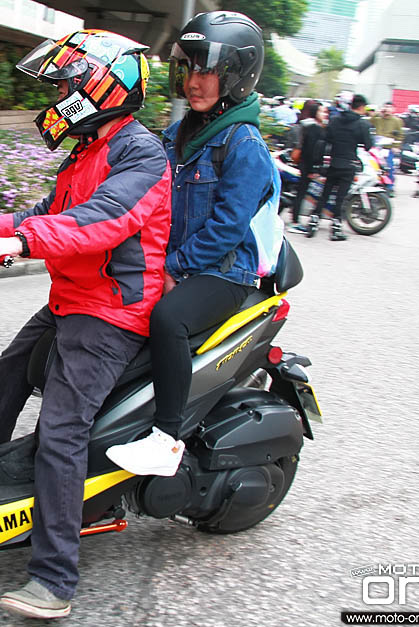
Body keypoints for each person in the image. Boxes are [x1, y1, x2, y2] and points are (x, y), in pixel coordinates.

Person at [0, 29, 171, 619]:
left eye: (64, 83)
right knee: (5, 373)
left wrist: (20, 242)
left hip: (113, 311)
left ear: (100, 86)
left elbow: (100, 221)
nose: (57, 95)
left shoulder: (141, 154)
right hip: (73, 298)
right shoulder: (86, 152)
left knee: (61, 428)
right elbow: (47, 214)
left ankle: (54, 578)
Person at [105, 12, 281, 477]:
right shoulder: (177, 134)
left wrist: (173, 270)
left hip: (222, 271)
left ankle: (166, 438)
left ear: (236, 77)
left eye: (208, 71)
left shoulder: (244, 145)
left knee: (168, 318)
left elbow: (225, 230)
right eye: (191, 69)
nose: (195, 82)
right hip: (176, 261)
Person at [305, 93, 372, 241]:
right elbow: (368, 145)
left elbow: (326, 139)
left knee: (325, 194)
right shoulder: (362, 124)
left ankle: (313, 222)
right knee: (340, 198)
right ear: (361, 107)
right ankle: (335, 229)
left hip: (333, 162)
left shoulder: (335, 120)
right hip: (349, 164)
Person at [288, 100, 328, 230]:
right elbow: (313, 150)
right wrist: (314, 168)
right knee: (302, 191)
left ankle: (295, 217)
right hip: (307, 165)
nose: (324, 114)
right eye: (322, 111)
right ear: (315, 112)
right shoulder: (314, 128)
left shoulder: (307, 125)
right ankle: (295, 222)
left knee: (301, 191)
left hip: (304, 164)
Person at [371, 101, 403, 195]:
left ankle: (390, 187)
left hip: (388, 148)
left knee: (389, 167)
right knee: (374, 166)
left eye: (389, 107)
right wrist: (378, 113)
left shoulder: (397, 121)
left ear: (393, 109)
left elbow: (400, 135)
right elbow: (370, 121)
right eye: (386, 107)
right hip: (377, 147)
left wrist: (396, 146)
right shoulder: (378, 119)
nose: (387, 109)